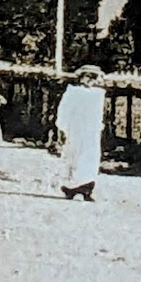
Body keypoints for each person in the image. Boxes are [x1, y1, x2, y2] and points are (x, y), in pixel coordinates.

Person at [54, 66, 106, 201]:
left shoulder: (97, 94)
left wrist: (98, 127)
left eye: (94, 77)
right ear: (82, 77)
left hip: (91, 132)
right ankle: (73, 189)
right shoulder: (73, 92)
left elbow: (98, 114)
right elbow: (64, 111)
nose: (90, 80)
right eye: (88, 76)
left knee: (91, 158)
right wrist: (63, 128)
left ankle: (87, 189)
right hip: (76, 129)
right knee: (75, 157)